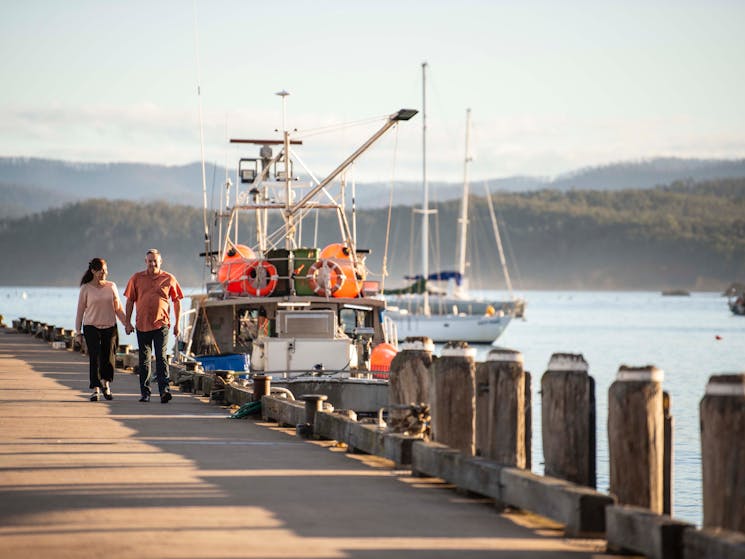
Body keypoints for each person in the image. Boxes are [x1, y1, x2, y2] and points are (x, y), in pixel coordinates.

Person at [124, 248, 183, 403]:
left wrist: (177, 324)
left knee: (161, 357)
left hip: (161, 324)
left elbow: (177, 301)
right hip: (142, 324)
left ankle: (164, 391)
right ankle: (145, 393)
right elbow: (130, 300)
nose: (152, 263)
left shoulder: (169, 278)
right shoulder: (136, 278)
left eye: (155, 260)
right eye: (150, 261)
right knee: (144, 360)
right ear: (146, 262)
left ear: (160, 261)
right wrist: (127, 322)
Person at [75, 258, 130, 401]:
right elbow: (80, 311)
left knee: (109, 358)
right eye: (100, 270)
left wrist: (127, 323)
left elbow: (118, 308)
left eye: (105, 270)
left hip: (110, 327)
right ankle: (95, 389)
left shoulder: (111, 286)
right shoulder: (85, 288)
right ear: (93, 271)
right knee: (95, 358)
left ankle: (106, 385)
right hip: (91, 327)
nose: (103, 273)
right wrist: (78, 332)